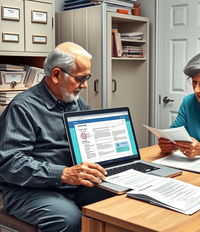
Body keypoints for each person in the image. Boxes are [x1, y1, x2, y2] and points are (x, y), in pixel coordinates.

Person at [0, 42, 115, 232]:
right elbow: (10, 163)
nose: (85, 85)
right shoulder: (23, 108)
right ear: (55, 75)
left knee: (120, 196)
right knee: (68, 219)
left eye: (87, 78)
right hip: (28, 189)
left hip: (73, 183)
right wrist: (63, 174)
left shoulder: (77, 103)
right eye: (80, 79)